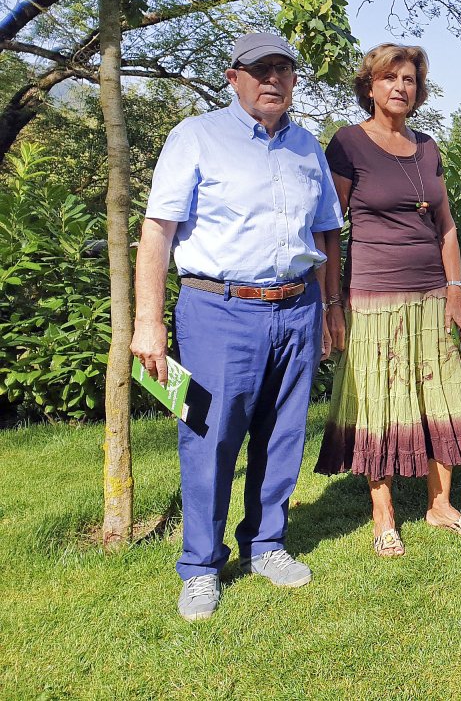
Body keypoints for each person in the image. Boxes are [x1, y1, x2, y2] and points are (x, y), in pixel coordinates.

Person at [131, 33, 343, 621]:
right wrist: (148, 322)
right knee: (209, 437)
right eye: (259, 70)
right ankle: (201, 565)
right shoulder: (196, 137)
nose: (272, 79)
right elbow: (157, 232)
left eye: (283, 70)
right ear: (233, 77)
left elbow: (328, 234)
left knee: (283, 434)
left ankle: (265, 544)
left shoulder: (307, 149)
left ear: (294, 81)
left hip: (297, 307)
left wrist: (331, 309)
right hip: (217, 309)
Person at [315, 43, 461, 557]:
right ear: (369, 87)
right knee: (380, 401)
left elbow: (446, 226)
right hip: (374, 297)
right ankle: (383, 512)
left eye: (409, 79)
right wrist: (332, 304)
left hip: (432, 294)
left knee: (442, 395)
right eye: (389, 78)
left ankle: (440, 506)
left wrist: (455, 291)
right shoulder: (348, 144)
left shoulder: (428, 147)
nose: (400, 87)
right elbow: (328, 229)